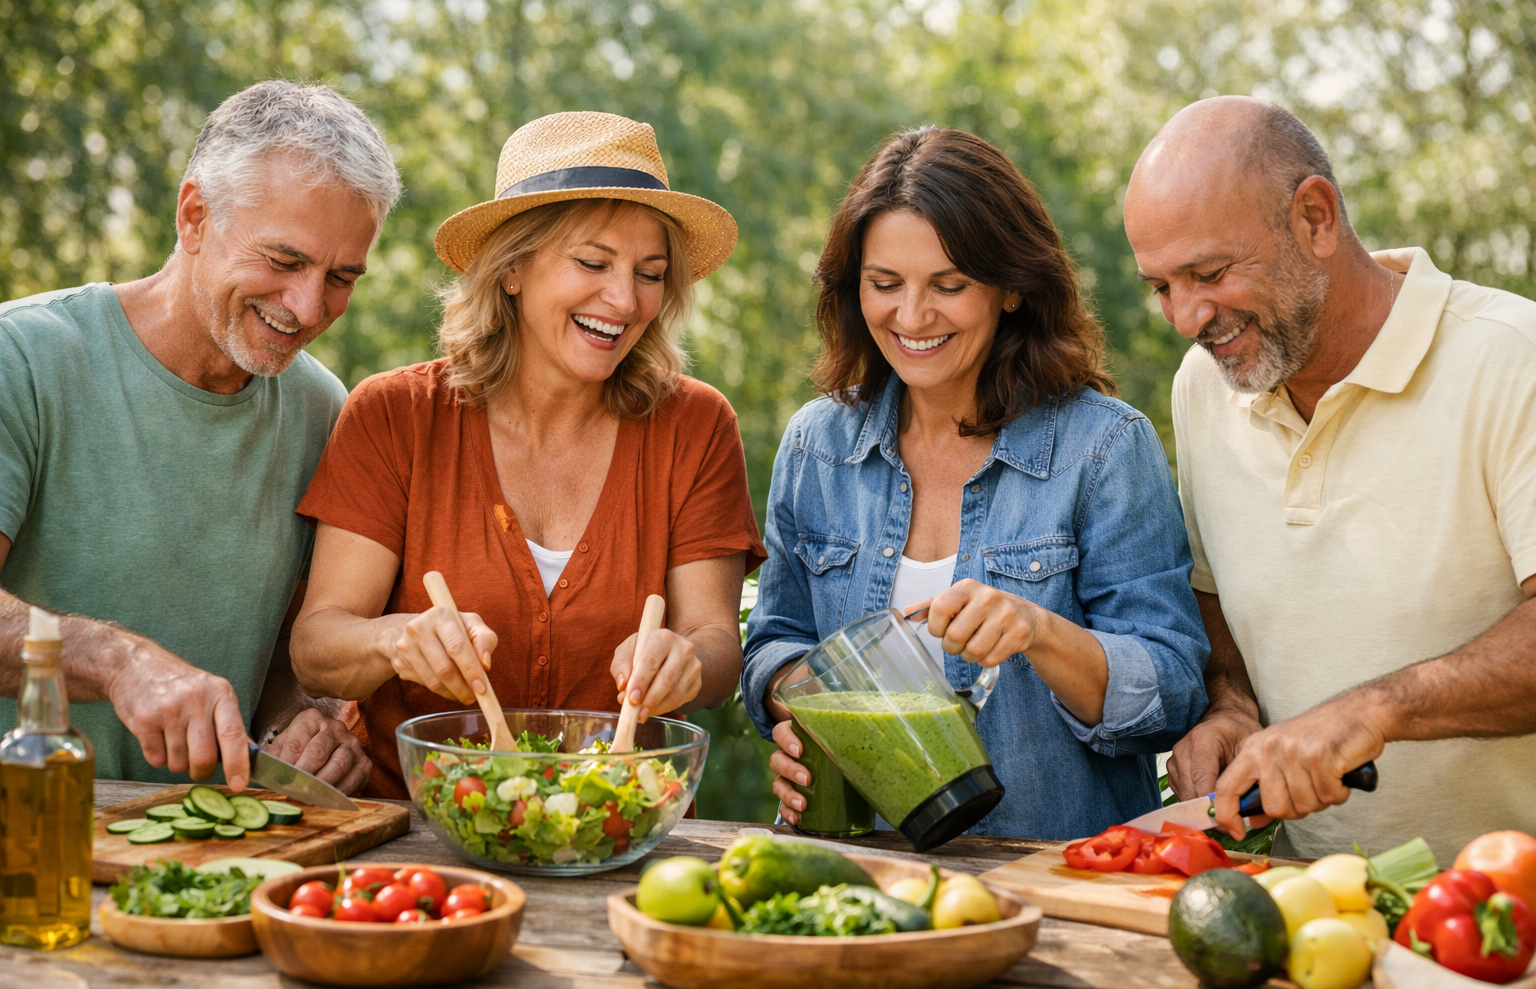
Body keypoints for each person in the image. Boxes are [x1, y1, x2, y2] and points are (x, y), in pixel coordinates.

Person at [742, 126, 1210, 840]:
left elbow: (1172, 691)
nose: (911, 316)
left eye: (949, 285)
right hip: (849, 867)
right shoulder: (818, 445)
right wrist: (801, 707)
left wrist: (1040, 632)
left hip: (1056, 879)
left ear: (1012, 289)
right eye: (884, 284)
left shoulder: (1104, 447)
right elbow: (775, 644)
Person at [289, 112, 765, 799]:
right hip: (415, 837)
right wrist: (398, 640)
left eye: (650, 273)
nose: (626, 299)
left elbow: (717, 643)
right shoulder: (396, 416)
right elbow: (316, 649)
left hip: (616, 826)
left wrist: (686, 659)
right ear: (513, 268)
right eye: (593, 263)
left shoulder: (694, 425)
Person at [1124, 96, 1536, 861]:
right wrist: (1232, 705)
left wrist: (1375, 710)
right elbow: (1218, 601)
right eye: (1161, 286)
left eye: (1208, 272)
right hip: (1310, 919)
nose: (1184, 317)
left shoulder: (1512, 358)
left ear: (1315, 217)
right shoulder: (1203, 385)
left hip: (1505, 927)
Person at [0, 81, 398, 792]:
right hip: (32, 828)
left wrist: (294, 722)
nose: (309, 308)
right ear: (193, 216)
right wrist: (115, 659)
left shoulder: (321, 409)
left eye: (341, 277)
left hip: (210, 855)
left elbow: (279, 654)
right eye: (283, 261)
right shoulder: (23, 361)